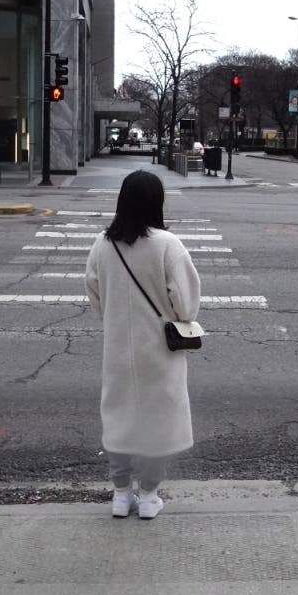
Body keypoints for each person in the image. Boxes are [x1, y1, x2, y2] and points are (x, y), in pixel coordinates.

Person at [84, 170, 201, 520]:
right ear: (157, 202)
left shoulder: (102, 244)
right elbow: (186, 306)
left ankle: (121, 493)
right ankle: (149, 495)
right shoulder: (168, 245)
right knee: (156, 422)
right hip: (160, 352)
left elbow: (95, 294)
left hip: (119, 349)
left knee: (119, 418)